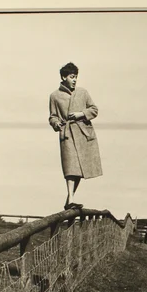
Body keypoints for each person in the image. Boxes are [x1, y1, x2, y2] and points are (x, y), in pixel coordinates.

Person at [48, 62, 103, 210]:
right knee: (70, 168)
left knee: (78, 170)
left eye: (76, 77)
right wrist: (56, 123)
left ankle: (69, 200)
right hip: (67, 134)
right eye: (72, 77)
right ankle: (71, 199)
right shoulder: (54, 96)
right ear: (64, 77)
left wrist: (81, 114)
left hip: (83, 134)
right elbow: (52, 116)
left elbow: (94, 109)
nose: (74, 80)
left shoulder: (83, 92)